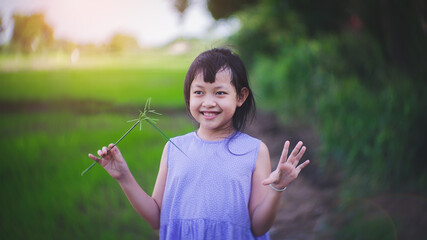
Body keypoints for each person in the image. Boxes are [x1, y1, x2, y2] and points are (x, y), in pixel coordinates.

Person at [88, 48, 310, 239]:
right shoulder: (174, 148)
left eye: (220, 93)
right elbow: (156, 218)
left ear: (240, 97)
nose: (208, 102)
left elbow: (258, 226)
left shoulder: (253, 151)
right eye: (199, 92)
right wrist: (123, 177)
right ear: (189, 96)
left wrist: (277, 187)